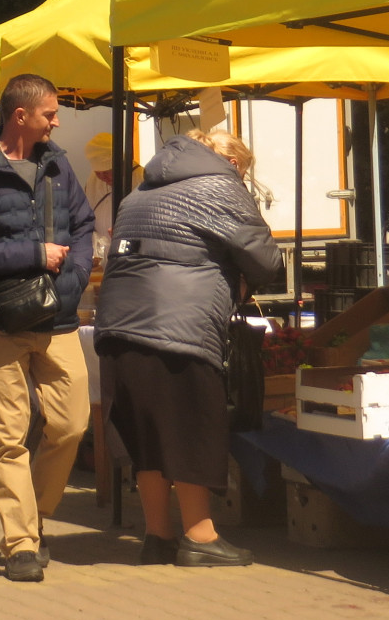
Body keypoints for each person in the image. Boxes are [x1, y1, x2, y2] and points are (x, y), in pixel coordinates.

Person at [96, 128, 285, 567]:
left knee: (147, 435)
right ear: (233, 164)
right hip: (179, 325)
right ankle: (200, 535)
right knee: (189, 430)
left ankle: (158, 535)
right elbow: (266, 260)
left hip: (119, 323)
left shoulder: (139, 190)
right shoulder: (221, 185)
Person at [0, 73, 95, 582]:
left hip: (58, 319)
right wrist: (34, 253)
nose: (56, 121)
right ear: (20, 116)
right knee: (8, 438)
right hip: (2, 321)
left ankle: (33, 518)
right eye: (50, 113)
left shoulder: (58, 163)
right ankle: (20, 544)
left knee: (71, 425)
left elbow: (82, 226)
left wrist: (73, 275)